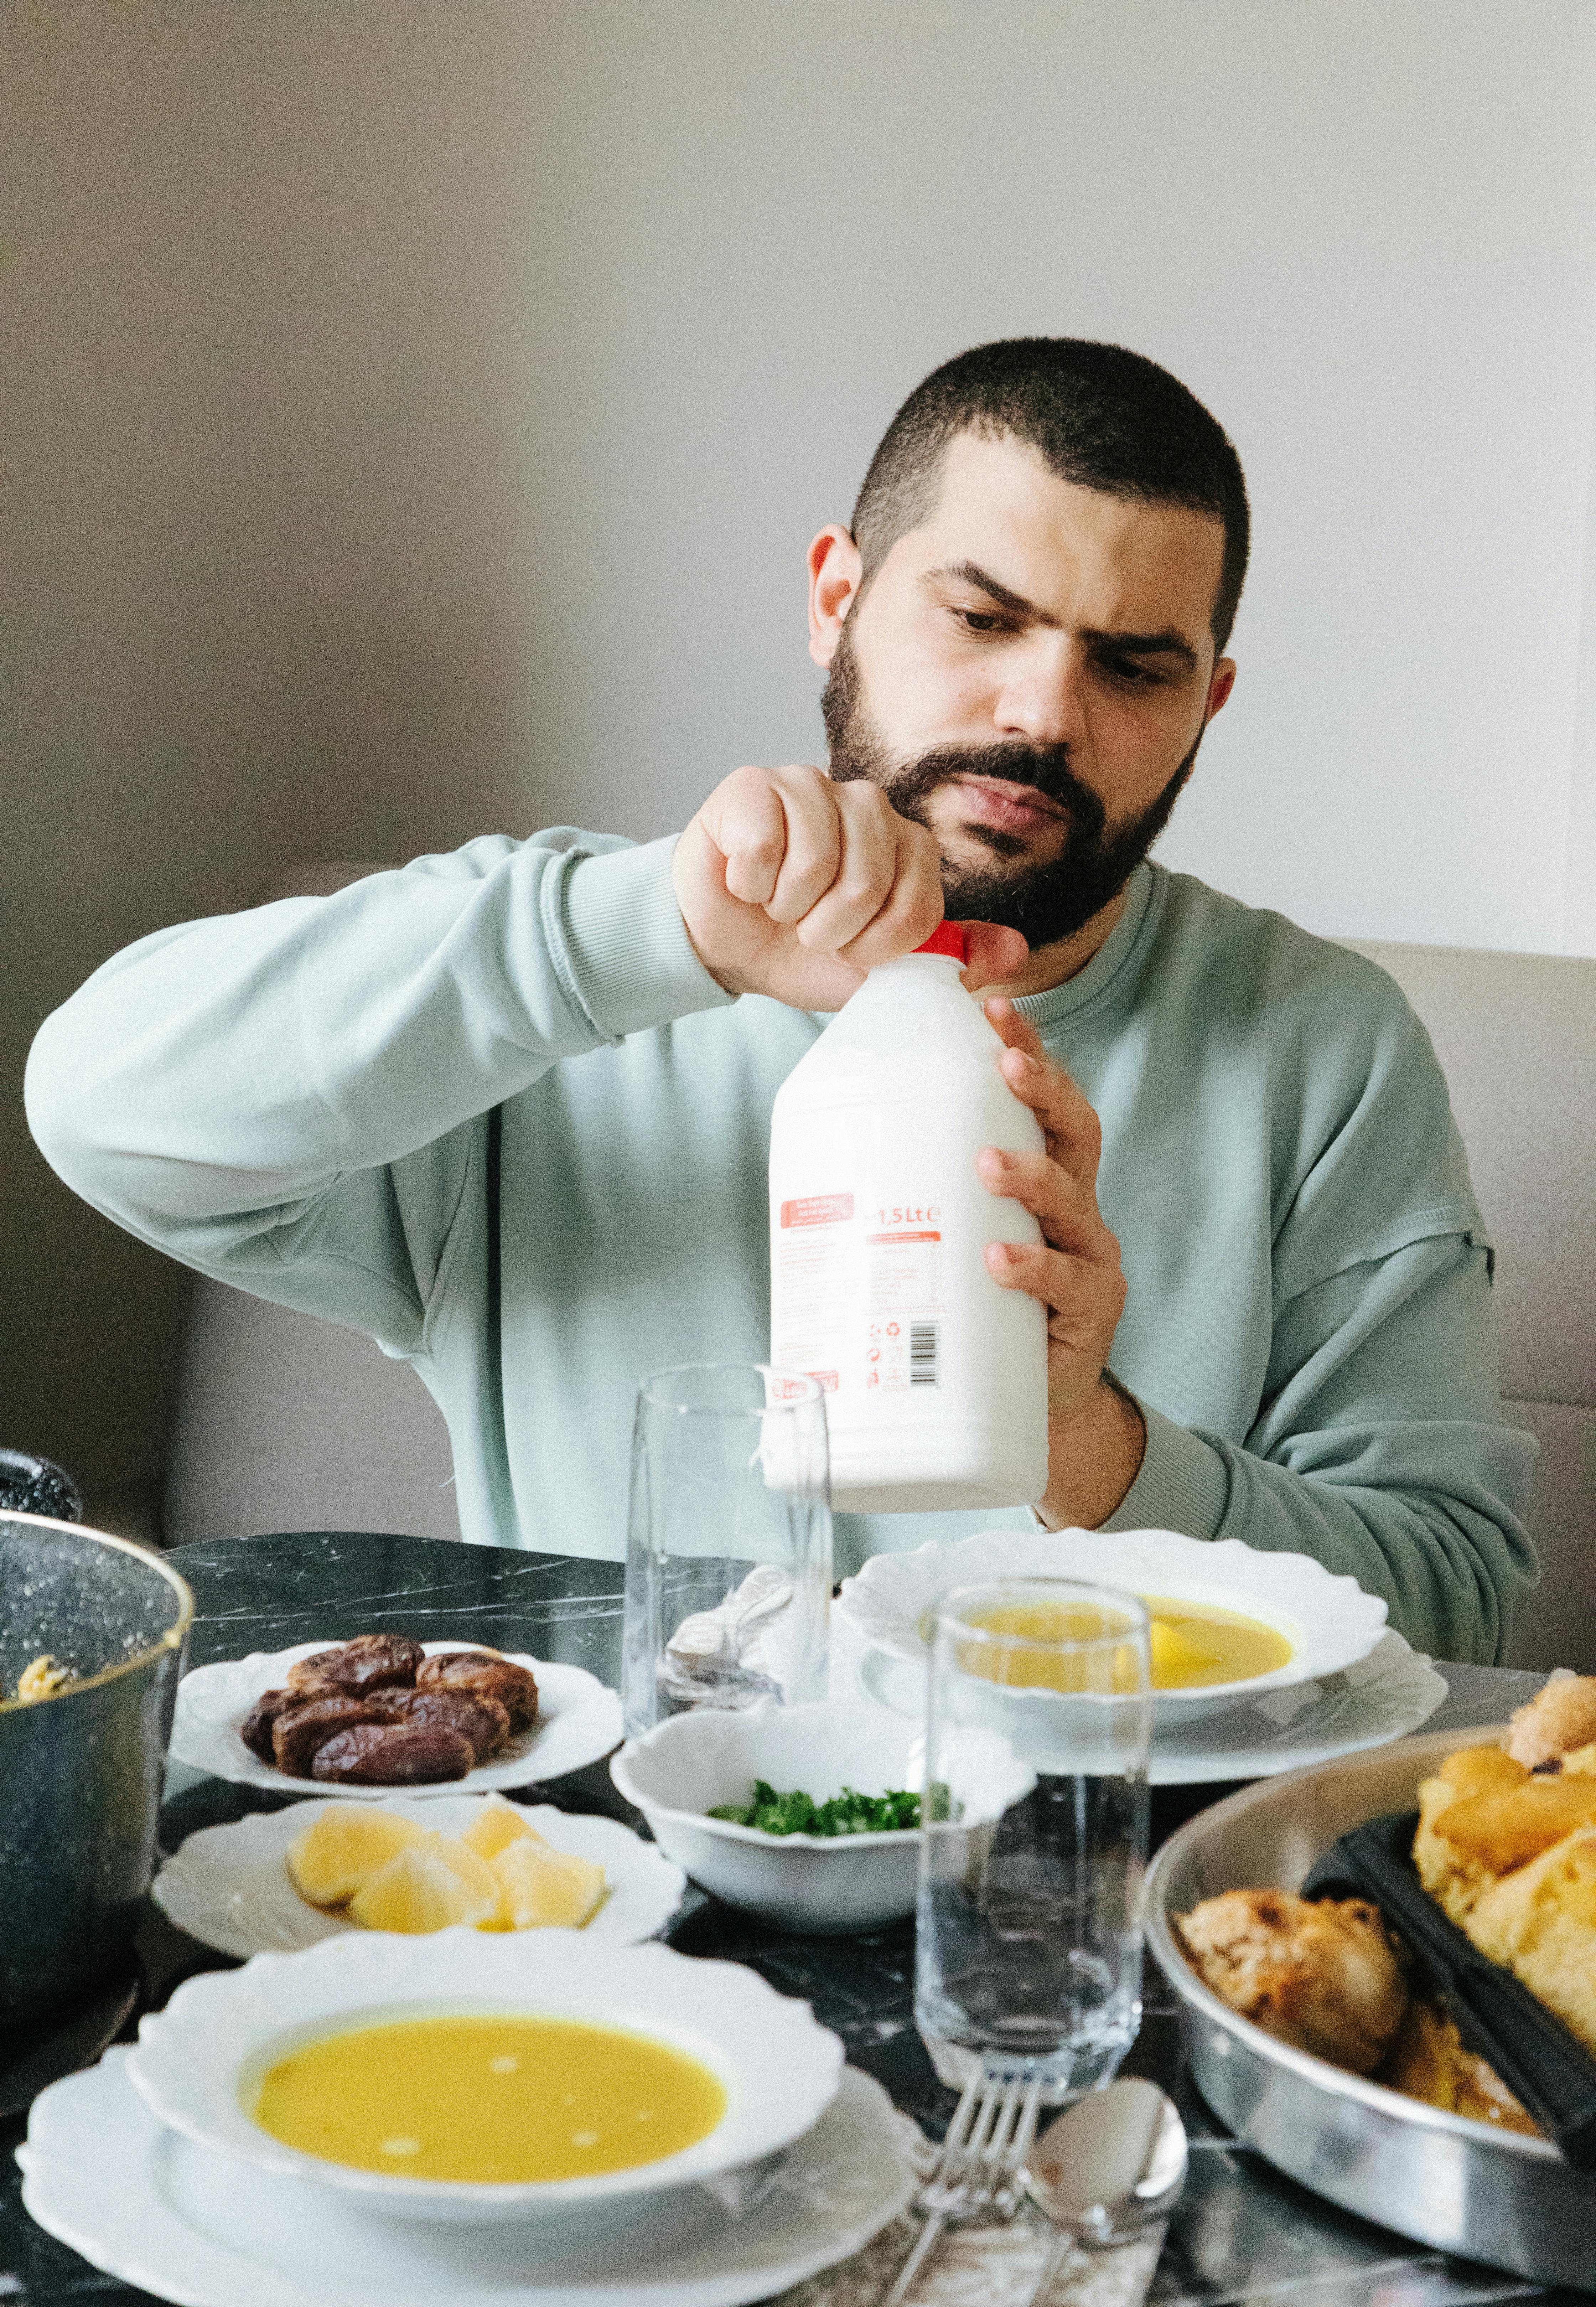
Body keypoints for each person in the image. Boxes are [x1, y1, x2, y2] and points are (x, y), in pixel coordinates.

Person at [25, 338, 1536, 1659]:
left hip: (1081, 1902)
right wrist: (651, 936)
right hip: (619, 1883)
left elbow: (1455, 1609)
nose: (1043, 713)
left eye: (1133, 667)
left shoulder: (1320, 1049)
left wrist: (1089, 1439)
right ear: (839, 598)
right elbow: (106, 1110)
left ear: (1206, 702)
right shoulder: (570, 978)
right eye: (982, 618)